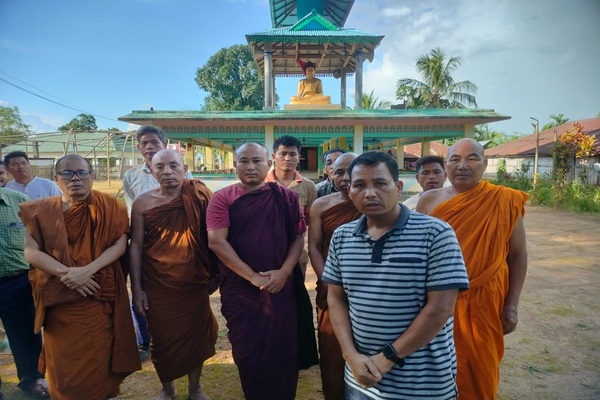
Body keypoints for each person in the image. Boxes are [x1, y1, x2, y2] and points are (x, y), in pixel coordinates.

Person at [323, 151, 469, 399]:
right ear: (350, 191)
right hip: (362, 378)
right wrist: (350, 355)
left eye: (380, 183)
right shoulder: (342, 236)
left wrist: (389, 357)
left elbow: (440, 308)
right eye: (359, 185)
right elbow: (336, 299)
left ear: (398, 186)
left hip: (422, 383)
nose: (369, 193)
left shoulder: (435, 233)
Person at [20, 154, 141, 400]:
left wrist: (88, 270)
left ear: (91, 176)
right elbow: (31, 251)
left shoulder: (110, 207)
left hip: (98, 296)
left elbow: (120, 244)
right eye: (67, 173)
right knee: (64, 364)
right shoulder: (40, 211)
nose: (75, 178)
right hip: (61, 302)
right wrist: (69, 274)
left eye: (81, 172)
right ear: (56, 179)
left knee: (101, 361)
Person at [416, 138, 528, 400]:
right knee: (434, 365)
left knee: (480, 366)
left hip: (485, 300)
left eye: (472, 158)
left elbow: (519, 254)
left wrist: (511, 305)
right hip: (436, 300)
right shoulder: (428, 201)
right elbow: (417, 254)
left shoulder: (505, 200)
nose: (463, 165)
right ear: (447, 165)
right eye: (455, 159)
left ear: (485, 163)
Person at [206, 142, 317, 400]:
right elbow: (216, 242)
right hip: (240, 288)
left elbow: (298, 238)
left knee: (282, 343)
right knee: (248, 346)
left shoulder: (286, 197)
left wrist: (284, 272)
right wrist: (252, 277)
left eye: (257, 160)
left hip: (280, 285)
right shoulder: (223, 198)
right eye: (244, 161)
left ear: (269, 164)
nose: (250, 166)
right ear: (235, 166)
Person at [129, 149, 218, 400]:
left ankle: (195, 388)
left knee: (196, 336)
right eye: (160, 167)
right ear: (152, 171)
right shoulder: (142, 202)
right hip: (157, 282)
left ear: (185, 168)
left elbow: (215, 236)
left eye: (173, 166)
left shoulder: (199, 195)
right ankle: (168, 389)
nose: (167, 172)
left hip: (193, 280)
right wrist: (136, 288)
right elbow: (135, 245)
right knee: (161, 336)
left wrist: (216, 274)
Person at [122, 125, 192, 359]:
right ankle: (146, 341)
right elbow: (134, 214)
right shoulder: (131, 177)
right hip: (152, 251)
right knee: (148, 306)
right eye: (144, 143)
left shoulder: (191, 182)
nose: (149, 147)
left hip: (185, 254)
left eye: (154, 142)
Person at [308, 152, 361, 400]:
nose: (345, 177)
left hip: (366, 288)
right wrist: (328, 280)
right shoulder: (321, 205)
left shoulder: (372, 202)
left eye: (351, 171)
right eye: (338, 171)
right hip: (330, 286)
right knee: (331, 348)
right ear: (330, 173)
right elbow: (314, 247)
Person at [0, 186, 48, 399]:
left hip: (16, 280)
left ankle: (32, 379)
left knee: (26, 334)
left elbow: (41, 238)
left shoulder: (21, 201)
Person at [266, 135, 317, 278]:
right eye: (283, 154)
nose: (287, 159)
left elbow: (309, 221)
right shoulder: (261, 183)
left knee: (295, 298)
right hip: (266, 254)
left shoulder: (308, 186)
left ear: (299, 157)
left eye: (292, 154)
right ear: (274, 156)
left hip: (297, 256)